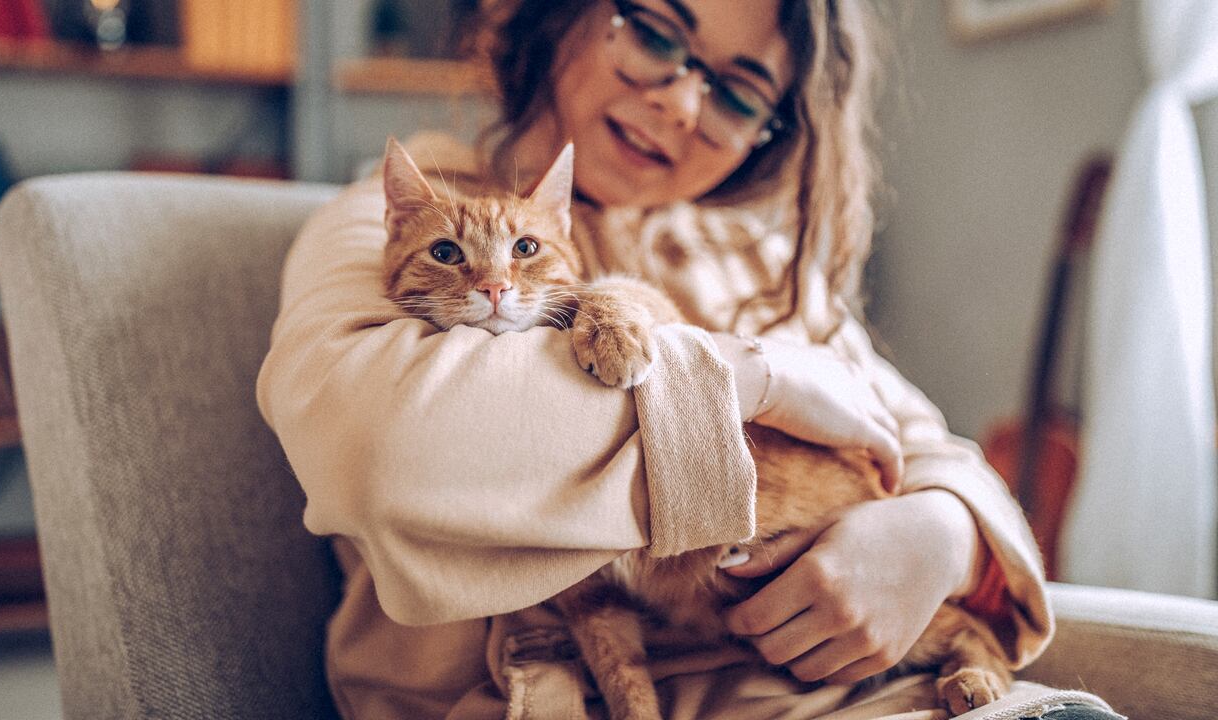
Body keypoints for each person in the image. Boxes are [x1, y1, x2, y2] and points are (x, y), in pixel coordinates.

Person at [256, 1, 1121, 718]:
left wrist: (937, 534)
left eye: (739, 93)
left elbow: (930, 448)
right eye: (658, 34)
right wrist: (759, 380)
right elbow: (383, 450)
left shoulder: (755, 259)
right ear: (564, 16)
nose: (679, 103)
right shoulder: (386, 216)